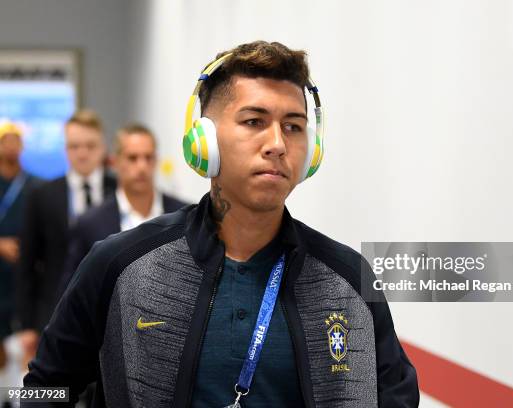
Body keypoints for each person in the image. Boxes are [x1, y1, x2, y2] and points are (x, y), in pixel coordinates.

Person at [23, 41, 419, 407]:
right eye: (254, 121)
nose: (277, 143)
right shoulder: (119, 264)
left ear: (310, 152)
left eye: (294, 127)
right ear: (203, 142)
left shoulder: (346, 278)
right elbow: (44, 388)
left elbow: (397, 395)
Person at [17, 110, 116, 335]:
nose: (82, 153)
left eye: (90, 146)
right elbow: (27, 263)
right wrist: (26, 325)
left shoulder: (119, 190)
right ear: (65, 149)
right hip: (54, 309)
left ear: (102, 148)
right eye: (74, 146)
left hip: (112, 307)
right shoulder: (41, 196)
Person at [61, 123, 187, 288]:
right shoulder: (91, 223)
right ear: (115, 162)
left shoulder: (185, 217)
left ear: (156, 161)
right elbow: (74, 291)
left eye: (148, 157)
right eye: (132, 158)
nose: (142, 167)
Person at [0, 122, 39, 371]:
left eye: (16, 140)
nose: (12, 146)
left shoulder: (37, 187)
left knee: (30, 358)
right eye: (6, 140)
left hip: (27, 278)